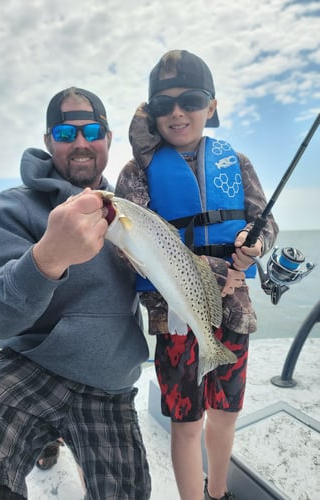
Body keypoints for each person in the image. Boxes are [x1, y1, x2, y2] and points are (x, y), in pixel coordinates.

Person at [0, 87, 151, 500]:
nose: (80, 143)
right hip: (30, 367)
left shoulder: (135, 212)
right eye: (64, 133)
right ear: (47, 141)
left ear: (108, 139)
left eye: (92, 131)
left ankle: (49, 444)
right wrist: (46, 258)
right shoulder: (13, 207)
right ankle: (45, 442)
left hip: (110, 383)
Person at [115, 50, 279, 500]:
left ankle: (217, 492)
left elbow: (264, 219)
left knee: (225, 413)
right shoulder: (136, 175)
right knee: (187, 422)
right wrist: (219, 268)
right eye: (163, 105)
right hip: (176, 315)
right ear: (150, 114)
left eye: (190, 100)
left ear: (211, 105)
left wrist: (255, 244)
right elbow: (132, 250)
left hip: (233, 311)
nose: (177, 112)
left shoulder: (237, 162)